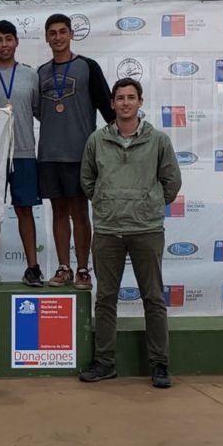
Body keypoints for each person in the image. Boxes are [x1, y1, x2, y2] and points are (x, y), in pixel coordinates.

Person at [79, 78, 181, 388]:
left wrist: (149, 205)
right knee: (105, 298)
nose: (125, 103)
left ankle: (160, 365)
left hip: (146, 230)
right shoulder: (97, 140)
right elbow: (87, 181)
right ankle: (104, 362)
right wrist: (106, 203)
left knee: (153, 298)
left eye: (131, 97)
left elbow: (171, 182)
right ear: (112, 103)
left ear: (140, 102)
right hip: (108, 230)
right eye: (120, 98)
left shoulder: (158, 140)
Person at [37, 13, 115, 290]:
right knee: (58, 211)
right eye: (53, 33)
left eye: (63, 31)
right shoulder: (40, 73)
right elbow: (38, 110)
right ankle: (63, 268)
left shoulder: (87, 67)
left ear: (71, 34)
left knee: (80, 212)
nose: (58, 37)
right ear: (46, 38)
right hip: (49, 155)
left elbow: (108, 110)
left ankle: (83, 269)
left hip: (80, 154)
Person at [0, 20, 43, 287]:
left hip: (24, 152)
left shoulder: (31, 75)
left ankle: (33, 267)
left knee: (25, 209)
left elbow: (38, 110)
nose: (4, 44)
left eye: (8, 38)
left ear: (16, 42)